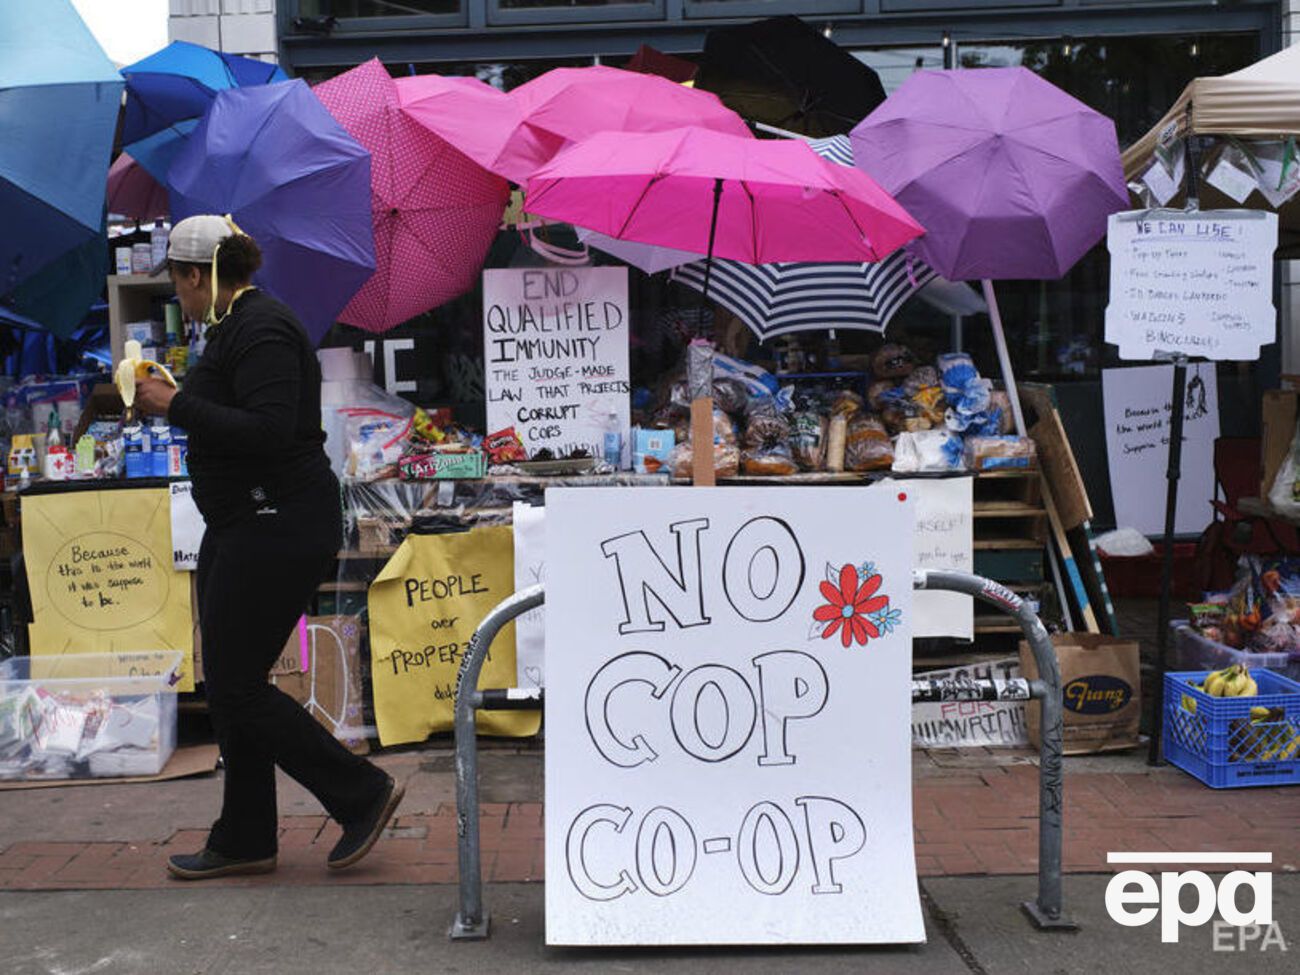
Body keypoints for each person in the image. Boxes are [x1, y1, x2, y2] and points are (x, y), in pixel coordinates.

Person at [134, 215, 403, 880]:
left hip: (277, 524)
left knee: (236, 685)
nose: (179, 296)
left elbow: (269, 430)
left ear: (197, 275)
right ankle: (246, 834)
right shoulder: (235, 327)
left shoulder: (263, 328)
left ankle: (359, 792)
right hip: (245, 524)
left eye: (179, 282)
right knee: (232, 683)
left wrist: (175, 405)